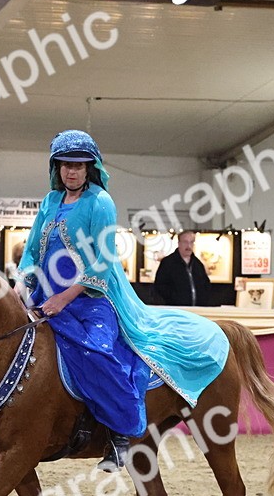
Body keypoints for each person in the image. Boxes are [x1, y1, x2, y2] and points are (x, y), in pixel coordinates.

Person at [18, 130, 229, 472]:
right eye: (65, 164)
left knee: (98, 351)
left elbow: (102, 262)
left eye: (79, 165)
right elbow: (31, 251)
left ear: (90, 168)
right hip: (45, 296)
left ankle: (119, 435)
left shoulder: (100, 202)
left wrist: (64, 298)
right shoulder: (49, 202)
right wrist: (23, 281)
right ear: (56, 167)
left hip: (93, 297)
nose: (71, 171)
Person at [153, 230, 211, 306]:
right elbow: (160, 286)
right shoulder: (168, 263)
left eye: (191, 242)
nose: (188, 246)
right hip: (176, 309)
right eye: (185, 242)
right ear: (179, 243)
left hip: (197, 309)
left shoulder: (198, 264)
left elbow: (206, 285)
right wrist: (174, 299)